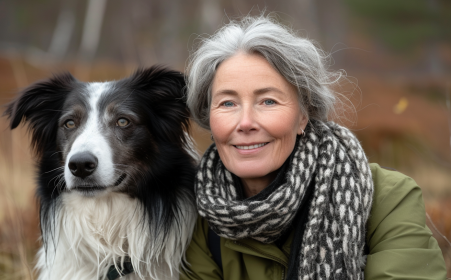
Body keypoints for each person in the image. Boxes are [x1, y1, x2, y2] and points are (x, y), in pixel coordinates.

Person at [181, 16, 446, 280]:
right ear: (209, 118)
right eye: (228, 103)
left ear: (303, 115)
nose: (246, 122)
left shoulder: (388, 199)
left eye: (268, 101)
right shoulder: (195, 215)